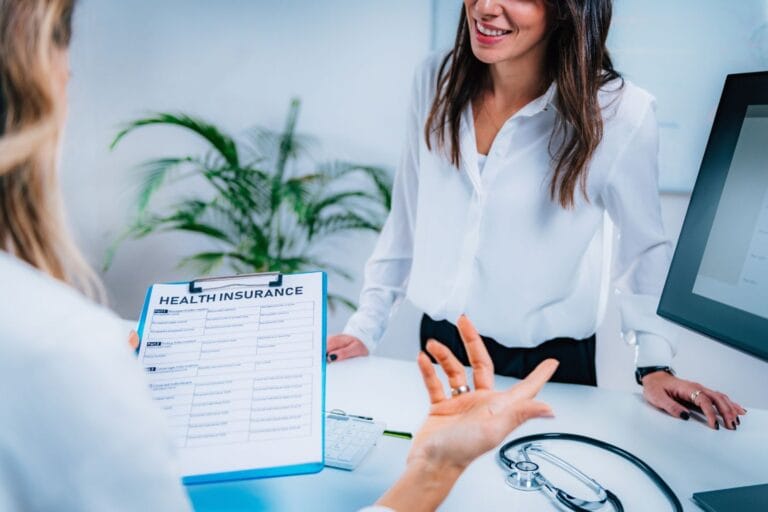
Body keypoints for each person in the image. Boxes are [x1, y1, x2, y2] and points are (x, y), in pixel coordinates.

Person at [0, 1, 557, 510]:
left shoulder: (60, 345)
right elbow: (405, 219)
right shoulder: (61, 351)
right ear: (40, 83)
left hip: (549, 351)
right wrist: (436, 468)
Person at [327, 0, 746, 431]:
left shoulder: (620, 112)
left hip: (549, 368)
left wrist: (654, 364)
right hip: (441, 346)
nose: (487, 8)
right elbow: (407, 217)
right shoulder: (436, 80)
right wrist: (364, 329)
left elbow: (644, 249)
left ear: (566, 9)